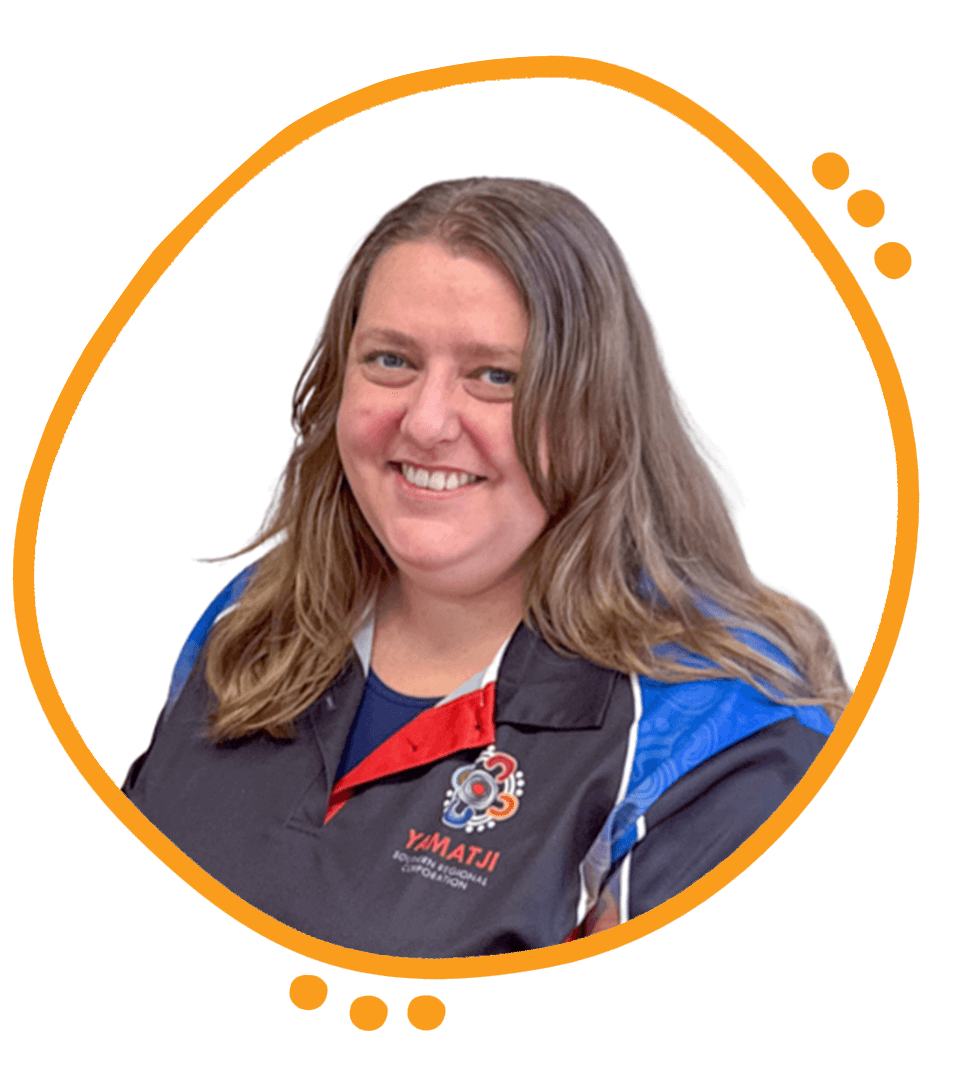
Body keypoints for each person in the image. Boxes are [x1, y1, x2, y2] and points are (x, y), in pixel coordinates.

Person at [123, 177, 850, 957]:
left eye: (495, 376)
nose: (427, 421)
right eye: (390, 360)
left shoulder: (723, 729)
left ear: (596, 410)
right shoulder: (251, 623)